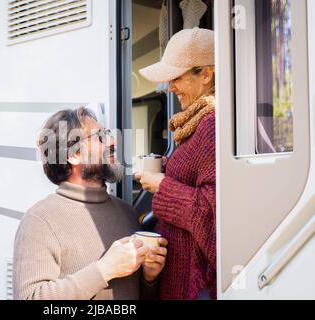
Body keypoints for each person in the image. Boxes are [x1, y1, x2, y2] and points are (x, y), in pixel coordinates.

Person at [12, 107, 168, 300]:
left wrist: (149, 278)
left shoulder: (127, 212)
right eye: (100, 137)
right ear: (73, 155)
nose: (112, 142)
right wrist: (104, 269)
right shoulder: (39, 220)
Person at [135, 27, 216, 300]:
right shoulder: (198, 121)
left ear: (205, 74)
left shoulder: (211, 125)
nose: (170, 88)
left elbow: (211, 215)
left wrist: (162, 186)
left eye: (176, 78)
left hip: (194, 283)